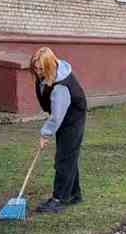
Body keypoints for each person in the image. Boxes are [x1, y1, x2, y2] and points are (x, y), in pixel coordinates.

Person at [30, 47, 87, 214]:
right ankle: (74, 195)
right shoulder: (47, 75)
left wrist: (45, 133)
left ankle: (59, 199)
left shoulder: (61, 86)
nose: (37, 72)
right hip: (64, 115)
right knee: (69, 156)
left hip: (72, 119)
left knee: (64, 158)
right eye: (35, 68)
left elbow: (57, 115)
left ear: (50, 66)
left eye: (41, 69)